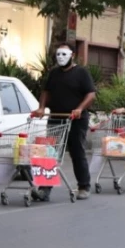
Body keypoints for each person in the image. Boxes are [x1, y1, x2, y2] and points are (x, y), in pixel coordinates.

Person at [32, 43, 97, 201]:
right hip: (56, 117)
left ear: (72, 55)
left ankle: (83, 185)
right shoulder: (54, 73)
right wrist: (41, 107)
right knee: (50, 152)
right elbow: (46, 91)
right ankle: (44, 189)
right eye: (58, 54)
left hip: (76, 119)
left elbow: (91, 94)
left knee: (77, 151)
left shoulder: (81, 73)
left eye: (64, 54)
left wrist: (80, 109)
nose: (60, 57)